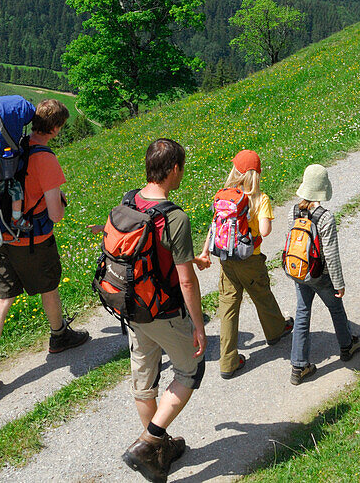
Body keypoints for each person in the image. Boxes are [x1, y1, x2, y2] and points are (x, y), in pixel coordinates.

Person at [0, 98, 89, 393]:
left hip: (1, 236)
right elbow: (56, 215)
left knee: (1, 299)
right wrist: (61, 202)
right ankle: (59, 336)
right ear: (56, 128)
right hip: (33, 240)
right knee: (48, 287)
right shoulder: (45, 158)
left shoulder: (13, 148)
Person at [118, 138, 206, 481]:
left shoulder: (130, 199)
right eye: (181, 168)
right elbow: (186, 283)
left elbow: (144, 249)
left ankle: (160, 450)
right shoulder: (175, 217)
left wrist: (190, 257)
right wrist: (198, 325)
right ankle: (148, 442)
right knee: (189, 372)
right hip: (163, 310)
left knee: (145, 380)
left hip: (131, 305)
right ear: (174, 170)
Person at [197, 149, 293, 378]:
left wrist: (204, 252)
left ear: (236, 171)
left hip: (226, 260)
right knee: (262, 295)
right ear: (256, 174)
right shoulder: (260, 199)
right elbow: (266, 231)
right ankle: (276, 330)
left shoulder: (224, 197)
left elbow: (214, 226)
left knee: (228, 308)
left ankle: (228, 362)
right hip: (249, 259)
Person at [288, 163, 360, 384]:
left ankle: (298, 366)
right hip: (319, 274)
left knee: (302, 313)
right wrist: (339, 283)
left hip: (300, 272)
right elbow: (330, 254)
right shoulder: (325, 217)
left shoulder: (294, 210)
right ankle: (347, 346)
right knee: (336, 307)